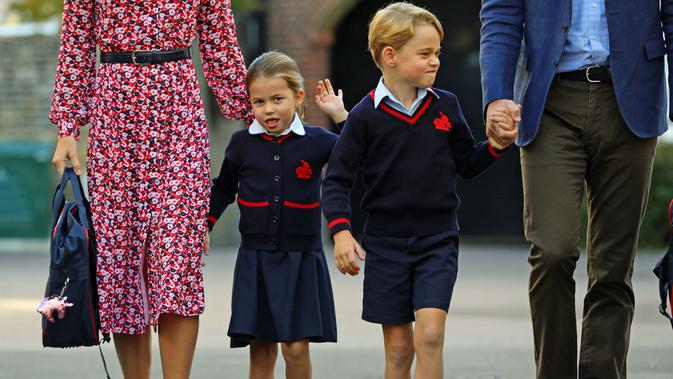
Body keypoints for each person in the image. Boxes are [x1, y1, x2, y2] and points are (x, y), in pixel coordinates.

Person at [49, 0, 251, 378]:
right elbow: (75, 42)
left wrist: (255, 112)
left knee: (178, 260)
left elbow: (220, 39)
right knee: (121, 263)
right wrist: (67, 127)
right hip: (114, 112)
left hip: (178, 110)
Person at [321, 3, 517, 378]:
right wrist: (342, 232)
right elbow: (337, 180)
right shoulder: (363, 116)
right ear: (390, 56)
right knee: (398, 349)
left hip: (437, 239)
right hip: (385, 244)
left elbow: (468, 163)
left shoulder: (448, 106)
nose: (435, 62)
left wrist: (496, 145)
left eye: (437, 53)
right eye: (425, 54)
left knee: (430, 335)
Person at [480, 0, 672, 377]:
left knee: (613, 265)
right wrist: (497, 95)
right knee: (552, 251)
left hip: (631, 97)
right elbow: (501, 13)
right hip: (547, 99)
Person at [207, 51, 347, 379]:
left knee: (296, 348)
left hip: (301, 259)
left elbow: (361, 155)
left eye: (277, 99)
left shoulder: (317, 141)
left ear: (298, 97)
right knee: (262, 347)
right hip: (255, 259)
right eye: (258, 102)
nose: (268, 109)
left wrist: (342, 118)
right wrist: (204, 224)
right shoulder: (241, 144)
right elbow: (224, 188)